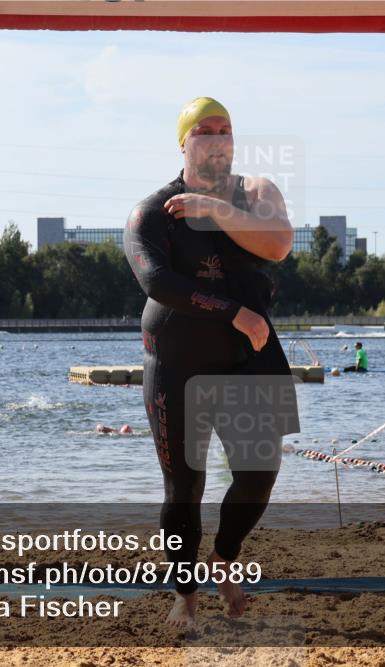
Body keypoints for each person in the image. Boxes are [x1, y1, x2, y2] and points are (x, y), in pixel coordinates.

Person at [124, 96, 299, 628]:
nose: (217, 137)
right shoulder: (153, 210)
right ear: (184, 142)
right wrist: (233, 312)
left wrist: (215, 210)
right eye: (205, 130)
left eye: (225, 129)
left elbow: (279, 245)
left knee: (258, 476)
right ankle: (185, 591)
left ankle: (224, 556)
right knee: (185, 488)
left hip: (250, 356)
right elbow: (156, 281)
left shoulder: (256, 192)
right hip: (178, 361)